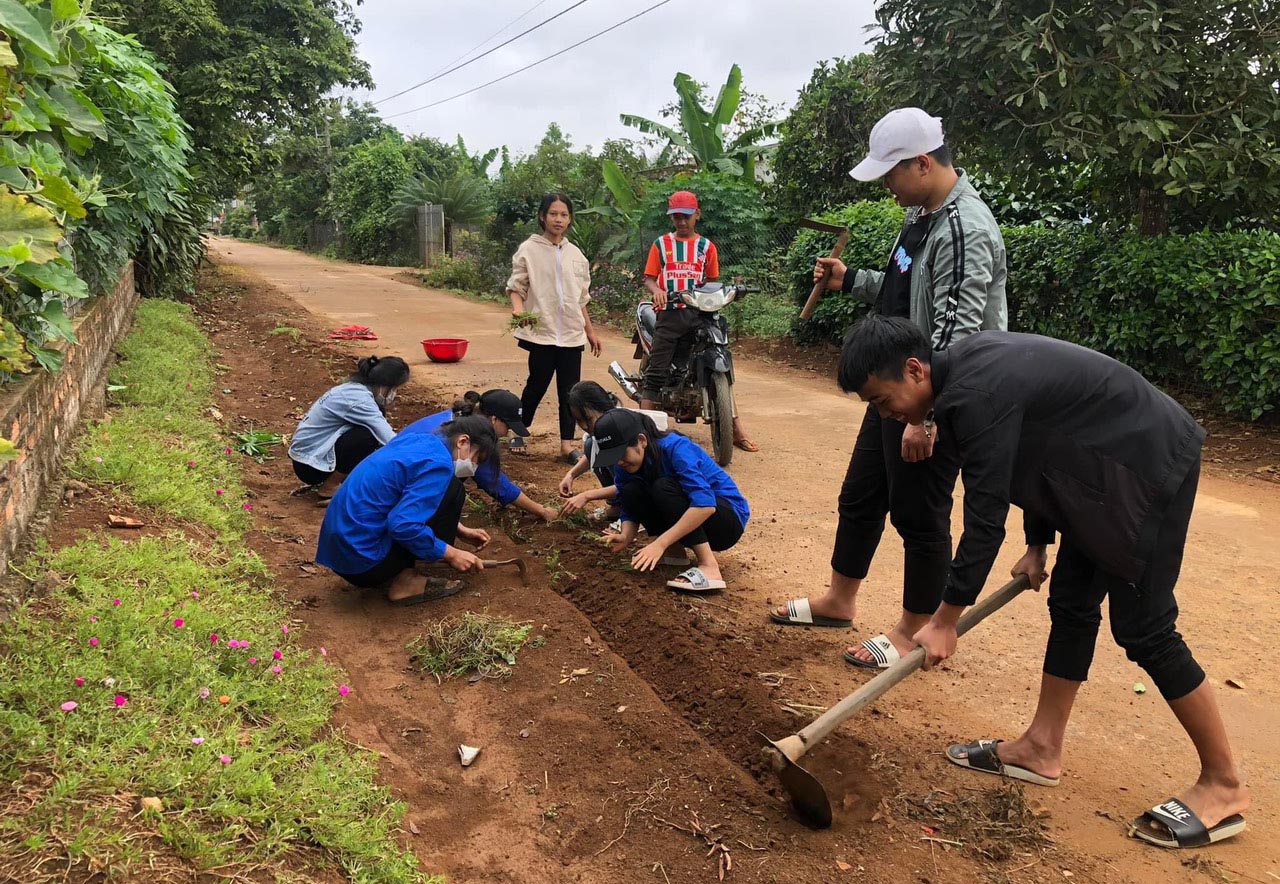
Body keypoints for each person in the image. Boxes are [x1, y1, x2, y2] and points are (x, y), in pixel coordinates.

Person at [838, 314, 1249, 850]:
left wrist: (945, 620)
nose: (886, 417)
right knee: (1073, 602)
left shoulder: (973, 392)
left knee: (1145, 627)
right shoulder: (960, 380)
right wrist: (1038, 541)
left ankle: (1224, 785)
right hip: (1098, 471)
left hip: (1147, 467)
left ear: (915, 370)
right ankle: (1041, 746)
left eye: (880, 401)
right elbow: (1037, 444)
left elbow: (985, 518)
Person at [770, 108, 1008, 672]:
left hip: (930, 395)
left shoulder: (964, 228)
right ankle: (839, 600)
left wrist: (925, 418)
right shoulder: (921, 218)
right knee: (861, 496)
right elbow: (903, 296)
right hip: (897, 384)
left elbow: (958, 330)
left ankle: (912, 629)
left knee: (919, 514)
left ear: (923, 163)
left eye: (890, 173)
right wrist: (849, 279)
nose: (885, 185)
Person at [315, 414, 498, 606]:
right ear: (462, 441)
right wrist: (451, 553)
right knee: (454, 490)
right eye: (477, 458)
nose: (474, 467)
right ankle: (406, 580)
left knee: (447, 490)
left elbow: (396, 494)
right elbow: (402, 525)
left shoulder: (420, 439)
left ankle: (412, 561)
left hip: (339, 548)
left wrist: (458, 529)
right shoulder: (439, 464)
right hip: (363, 561)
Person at [639, 190, 758, 453]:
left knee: (722, 362)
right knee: (657, 370)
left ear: (697, 216)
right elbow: (648, 277)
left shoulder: (707, 247)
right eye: (677, 217)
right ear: (672, 218)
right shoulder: (661, 244)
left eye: (687, 216)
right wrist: (656, 290)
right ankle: (641, 435)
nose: (682, 222)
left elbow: (712, 282)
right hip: (670, 312)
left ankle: (736, 429)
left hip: (702, 313)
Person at [593, 410, 748, 593]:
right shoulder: (625, 465)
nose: (618, 462)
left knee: (663, 487)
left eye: (621, 454)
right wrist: (626, 535)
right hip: (695, 518)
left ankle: (709, 566)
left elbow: (705, 505)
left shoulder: (676, 448)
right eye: (613, 457)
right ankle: (675, 554)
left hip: (726, 520)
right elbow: (627, 498)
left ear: (641, 441)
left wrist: (660, 543)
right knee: (631, 488)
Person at [508, 193, 602, 461]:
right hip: (543, 333)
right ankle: (518, 431)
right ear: (542, 216)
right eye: (553, 214)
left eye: (563, 215)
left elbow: (580, 298)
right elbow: (516, 287)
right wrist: (519, 310)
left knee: (570, 393)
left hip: (572, 336)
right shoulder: (529, 249)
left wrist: (590, 331)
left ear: (570, 219)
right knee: (536, 385)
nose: (558, 219)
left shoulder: (576, 255)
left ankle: (565, 445)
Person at [400, 389, 558, 522]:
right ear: (494, 420)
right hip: (401, 489)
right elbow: (496, 483)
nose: (507, 433)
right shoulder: (468, 440)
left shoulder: (456, 418)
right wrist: (542, 511)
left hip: (395, 474)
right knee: (453, 492)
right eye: (507, 427)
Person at [289, 355, 410, 498]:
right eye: (394, 388)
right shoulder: (358, 400)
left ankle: (344, 480)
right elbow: (388, 438)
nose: (394, 394)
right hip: (309, 466)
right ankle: (330, 486)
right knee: (367, 437)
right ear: (385, 384)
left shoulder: (353, 389)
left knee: (373, 427)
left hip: (310, 455)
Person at [556, 380, 669, 526]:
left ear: (602, 407)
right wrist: (571, 475)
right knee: (591, 444)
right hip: (636, 484)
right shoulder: (604, 428)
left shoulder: (620, 429)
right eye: (578, 420)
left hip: (654, 489)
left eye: (588, 419)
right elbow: (594, 453)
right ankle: (619, 507)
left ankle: (637, 513)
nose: (584, 426)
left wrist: (586, 496)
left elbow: (632, 482)